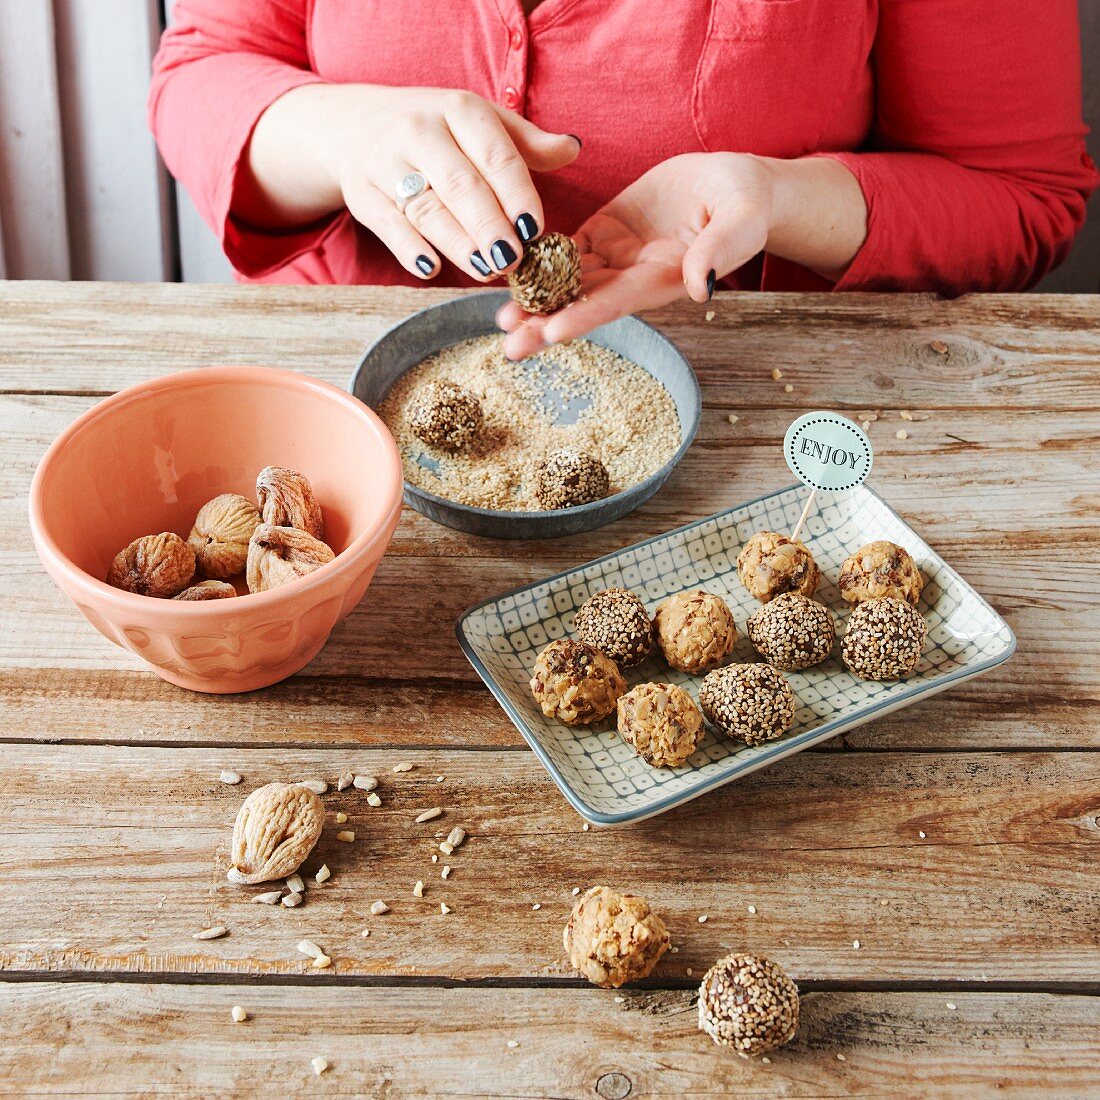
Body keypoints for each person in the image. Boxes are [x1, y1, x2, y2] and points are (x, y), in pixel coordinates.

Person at [150, 0, 1097, 359]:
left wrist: (780, 197)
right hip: (338, 402)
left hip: (749, 420)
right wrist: (336, 132)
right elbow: (204, 70)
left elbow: (1019, 194)